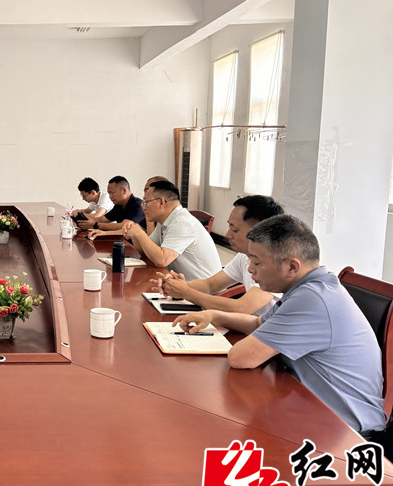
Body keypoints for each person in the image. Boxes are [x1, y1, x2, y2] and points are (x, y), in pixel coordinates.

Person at [173, 214, 385, 436]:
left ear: (292, 266)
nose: (250, 270)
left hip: (343, 430)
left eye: (256, 262)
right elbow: (258, 323)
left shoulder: (312, 299)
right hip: (310, 407)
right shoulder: (311, 287)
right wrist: (213, 315)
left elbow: (241, 357)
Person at [151, 195, 284, 315]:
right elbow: (210, 284)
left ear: (259, 231)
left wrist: (186, 292)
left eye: (234, 229)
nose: (227, 235)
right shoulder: (244, 256)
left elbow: (240, 308)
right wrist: (175, 285)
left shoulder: (276, 265)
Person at [93, 180, 220, 280]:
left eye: (146, 202)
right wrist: (134, 233)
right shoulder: (165, 221)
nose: (143, 207)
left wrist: (139, 233)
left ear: (161, 202)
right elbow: (146, 252)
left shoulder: (182, 222)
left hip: (202, 293)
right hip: (180, 285)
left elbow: (161, 260)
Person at [77, 176, 144, 231]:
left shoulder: (138, 205)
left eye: (112, 193)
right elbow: (102, 219)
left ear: (123, 191)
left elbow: (124, 225)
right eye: (109, 193)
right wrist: (82, 220)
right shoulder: (118, 205)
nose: (110, 197)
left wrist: (95, 225)